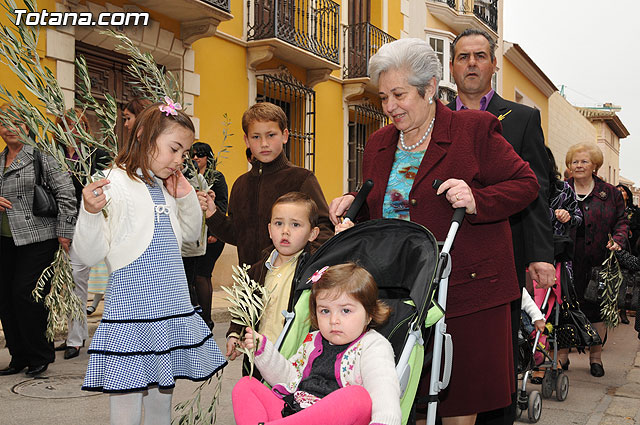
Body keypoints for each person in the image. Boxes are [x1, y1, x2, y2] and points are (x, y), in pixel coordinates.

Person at [329, 38, 539, 425]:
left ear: (428, 89)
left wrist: (477, 199)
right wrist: (352, 207)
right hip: (401, 293)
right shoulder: (378, 143)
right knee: (402, 399)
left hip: (466, 290)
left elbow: (526, 184)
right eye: (383, 96)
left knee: (457, 405)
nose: (389, 106)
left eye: (399, 94)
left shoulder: (472, 130)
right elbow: (382, 204)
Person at [71, 100, 227, 424]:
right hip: (132, 315)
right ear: (143, 135)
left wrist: (184, 196)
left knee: (160, 405)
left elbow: (188, 237)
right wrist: (88, 213)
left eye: (184, 153)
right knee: (125, 409)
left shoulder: (163, 186)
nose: (178, 160)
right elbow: (86, 255)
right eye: (173, 149)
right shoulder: (113, 183)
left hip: (169, 310)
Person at [447, 28, 555, 425]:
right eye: (463, 56)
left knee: (498, 352)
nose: (471, 63)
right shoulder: (437, 118)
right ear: (452, 66)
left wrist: (541, 255)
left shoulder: (523, 118)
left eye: (479, 56)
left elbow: (536, 190)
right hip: (448, 254)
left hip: (504, 253)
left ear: (494, 64)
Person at [231, 262, 402, 425]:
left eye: (346, 310)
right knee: (246, 385)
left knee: (358, 398)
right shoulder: (312, 341)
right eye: (325, 311)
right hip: (294, 412)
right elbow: (289, 379)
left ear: (369, 314)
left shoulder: (373, 346)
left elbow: (385, 393)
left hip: (340, 419)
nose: (334, 320)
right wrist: (264, 351)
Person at [203, 102, 333, 268]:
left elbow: (324, 230)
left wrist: (299, 265)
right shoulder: (240, 185)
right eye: (256, 137)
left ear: (285, 135)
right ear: (246, 140)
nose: (264, 143)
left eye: (271, 135)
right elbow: (237, 235)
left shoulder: (302, 179)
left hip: (288, 285)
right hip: (249, 286)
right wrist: (212, 213)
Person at [0, 104, 77, 377]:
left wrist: (65, 233)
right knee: (5, 299)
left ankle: (40, 354)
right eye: (3, 122)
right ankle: (18, 356)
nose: (9, 127)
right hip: (5, 239)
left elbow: (66, 193)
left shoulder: (41, 154)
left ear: (28, 124)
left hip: (39, 237)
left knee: (27, 295)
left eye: (15, 121)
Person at [226, 192, 320, 377]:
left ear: (312, 233)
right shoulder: (256, 271)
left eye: (295, 224)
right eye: (279, 223)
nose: (285, 231)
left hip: (293, 360)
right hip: (257, 359)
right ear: (269, 230)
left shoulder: (313, 272)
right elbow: (244, 307)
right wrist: (235, 334)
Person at [563, 142, 628, 377]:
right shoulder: (561, 190)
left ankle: (596, 358)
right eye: (574, 162)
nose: (578, 165)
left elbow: (621, 221)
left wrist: (618, 239)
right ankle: (561, 358)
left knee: (596, 309)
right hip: (566, 260)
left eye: (584, 161)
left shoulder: (609, 192)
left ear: (595, 165)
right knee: (564, 307)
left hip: (598, 261)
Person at [53, 108, 111, 360]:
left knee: (80, 280)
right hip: (60, 226)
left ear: (85, 129)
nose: (70, 130)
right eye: (65, 126)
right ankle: (74, 336)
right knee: (71, 282)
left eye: (76, 125)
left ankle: (78, 339)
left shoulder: (97, 154)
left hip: (91, 225)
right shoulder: (52, 155)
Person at [182, 142, 228, 329]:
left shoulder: (216, 177)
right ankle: (196, 319)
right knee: (191, 279)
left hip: (211, 236)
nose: (195, 159)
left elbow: (223, 205)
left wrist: (214, 232)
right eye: (192, 155)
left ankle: (206, 320)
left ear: (207, 158)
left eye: (199, 155)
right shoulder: (186, 177)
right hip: (193, 237)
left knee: (202, 275)